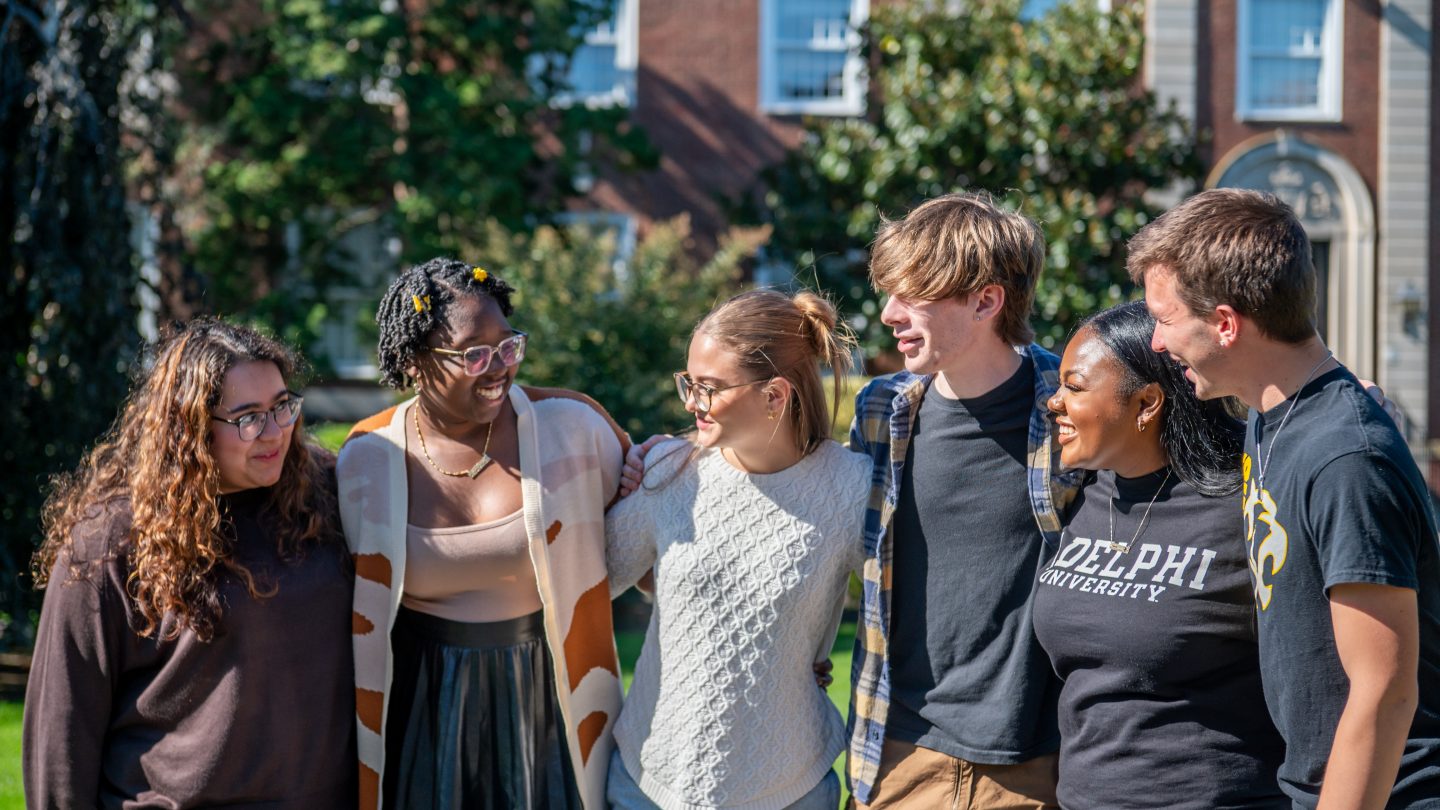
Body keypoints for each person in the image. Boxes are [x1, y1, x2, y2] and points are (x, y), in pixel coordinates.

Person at [1129, 187, 1440, 807]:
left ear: (1224, 323)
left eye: (1164, 320)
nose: (1156, 344)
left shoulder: (1346, 458)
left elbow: (1384, 690)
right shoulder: (1273, 418)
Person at [23, 319, 355, 808]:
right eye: (247, 418)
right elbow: (63, 726)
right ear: (191, 429)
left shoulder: (329, 500)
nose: (275, 433)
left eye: (282, 406)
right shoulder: (110, 541)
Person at [339, 258, 628, 810]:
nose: (498, 367)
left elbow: (655, 536)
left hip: (552, 697)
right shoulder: (368, 457)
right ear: (416, 362)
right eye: (474, 353)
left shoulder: (574, 427)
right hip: (420, 701)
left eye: (508, 346)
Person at [846, 192, 1084, 809]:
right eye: (889, 292)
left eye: (913, 293)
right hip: (899, 757)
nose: (890, 313)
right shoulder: (881, 410)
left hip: (1036, 766)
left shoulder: (1075, 407)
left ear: (986, 300)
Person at [604, 288, 869, 809]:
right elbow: (586, 580)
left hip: (789, 787)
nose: (689, 402)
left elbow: (905, 620)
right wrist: (606, 481)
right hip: (648, 783)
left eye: (707, 387)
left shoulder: (855, 489)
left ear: (775, 395)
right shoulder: (669, 472)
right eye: (688, 382)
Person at [1034, 301, 1286, 809]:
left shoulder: (1249, 503)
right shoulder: (1079, 492)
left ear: (1147, 403)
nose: (1054, 402)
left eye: (1075, 387)